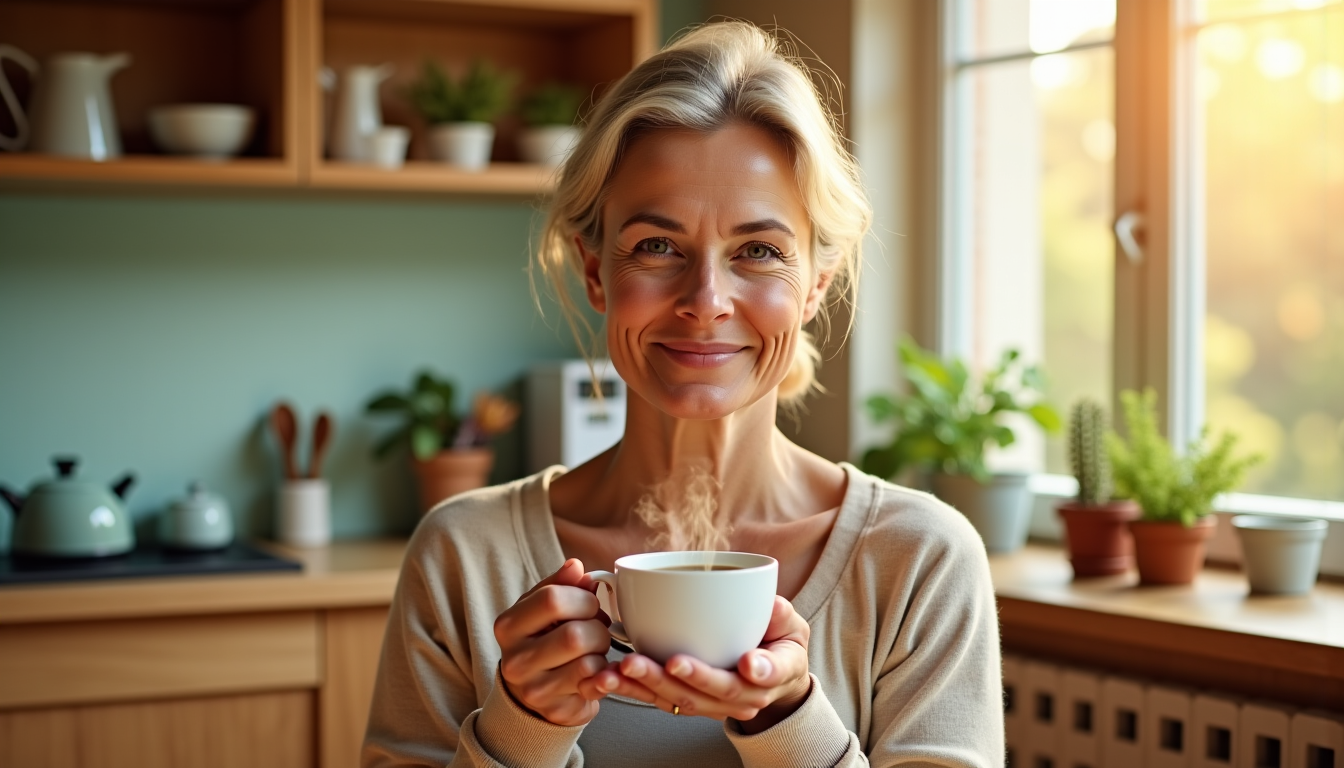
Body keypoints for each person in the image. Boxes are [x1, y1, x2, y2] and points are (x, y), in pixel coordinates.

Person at [362, 21, 1003, 768]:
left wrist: (790, 722)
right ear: (597, 272)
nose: (706, 300)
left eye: (758, 252)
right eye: (657, 246)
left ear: (815, 286)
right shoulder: (463, 557)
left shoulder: (920, 561)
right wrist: (522, 728)